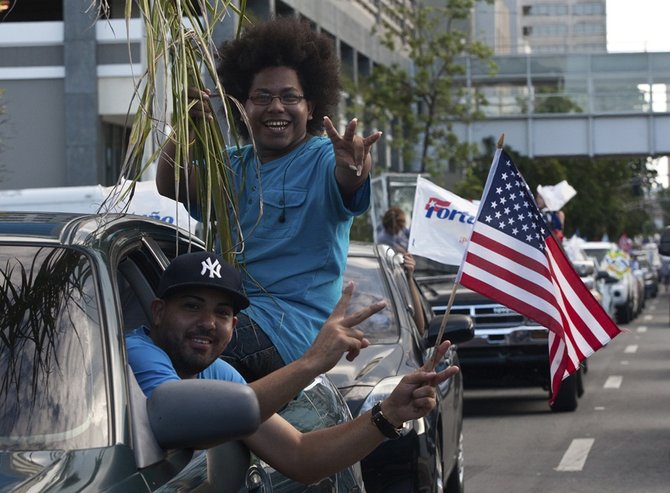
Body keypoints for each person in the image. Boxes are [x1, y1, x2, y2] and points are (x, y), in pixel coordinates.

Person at [156, 17, 383, 382]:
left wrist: (356, 163)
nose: (275, 107)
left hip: (290, 331)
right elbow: (173, 186)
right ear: (242, 105)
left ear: (311, 106)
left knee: (177, 356)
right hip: (231, 316)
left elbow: (350, 177)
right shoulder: (231, 163)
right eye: (262, 97)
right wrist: (185, 128)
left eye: (289, 96)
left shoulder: (324, 157)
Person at [126, 252, 459, 485]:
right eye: (191, 306)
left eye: (222, 313)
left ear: (234, 324)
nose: (208, 323)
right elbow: (180, 420)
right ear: (157, 312)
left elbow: (299, 456)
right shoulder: (137, 353)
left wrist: (389, 413)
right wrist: (311, 362)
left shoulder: (214, 372)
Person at [376, 206, 426, 334]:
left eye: (399, 227)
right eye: (395, 228)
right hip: (396, 274)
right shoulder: (383, 239)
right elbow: (395, 253)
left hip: (411, 272)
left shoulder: (404, 231)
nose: (398, 230)